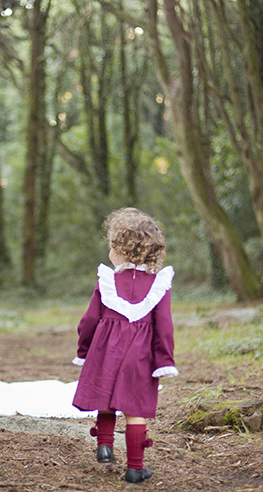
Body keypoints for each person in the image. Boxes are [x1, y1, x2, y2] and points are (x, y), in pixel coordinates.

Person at [71, 207, 178, 484]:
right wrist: (164, 360)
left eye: (111, 245)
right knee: (134, 408)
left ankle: (105, 446)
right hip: (140, 355)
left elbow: (89, 320)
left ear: (119, 250)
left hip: (106, 349)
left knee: (105, 394)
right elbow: (164, 325)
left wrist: (84, 351)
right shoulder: (157, 285)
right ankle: (135, 468)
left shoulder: (107, 282)